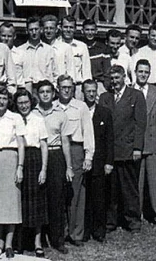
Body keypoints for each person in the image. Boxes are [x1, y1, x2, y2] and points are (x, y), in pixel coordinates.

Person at [99, 65, 146, 232]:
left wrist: (137, 148)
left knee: (129, 189)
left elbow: (140, 124)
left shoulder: (136, 96)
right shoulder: (105, 97)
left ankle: (133, 221)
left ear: (124, 77)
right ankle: (111, 221)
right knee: (111, 189)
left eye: (117, 78)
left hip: (127, 150)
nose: (114, 82)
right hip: (110, 151)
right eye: (111, 79)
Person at [33, 80, 74, 254]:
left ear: (53, 93)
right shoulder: (32, 113)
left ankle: (58, 240)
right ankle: (38, 240)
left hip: (56, 155)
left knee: (57, 199)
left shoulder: (60, 114)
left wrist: (69, 166)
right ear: (37, 94)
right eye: (41, 91)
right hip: (36, 156)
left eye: (48, 91)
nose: (45, 94)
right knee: (38, 198)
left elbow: (65, 142)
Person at [54, 74, 94, 246]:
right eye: (63, 87)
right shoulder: (52, 107)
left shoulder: (81, 107)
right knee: (58, 191)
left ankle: (76, 233)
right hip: (56, 151)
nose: (67, 90)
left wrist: (88, 156)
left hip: (76, 149)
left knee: (76, 192)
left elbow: (88, 132)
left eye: (70, 87)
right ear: (58, 88)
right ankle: (59, 232)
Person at [0, 86, 26, 258]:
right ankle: (0, 240)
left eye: (4, 98)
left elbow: (20, 143)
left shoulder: (15, 117)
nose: (1, 101)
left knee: (12, 204)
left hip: (11, 158)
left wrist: (20, 166)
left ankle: (9, 243)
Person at [133, 60, 156, 227]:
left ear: (149, 74)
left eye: (146, 72)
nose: (142, 74)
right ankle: (136, 214)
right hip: (135, 144)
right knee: (136, 182)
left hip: (153, 142)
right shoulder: (130, 91)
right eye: (140, 71)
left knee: (155, 182)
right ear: (135, 72)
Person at [14, 89, 49, 258]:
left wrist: (43, 168)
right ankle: (19, 242)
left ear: (31, 102)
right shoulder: (13, 118)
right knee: (19, 201)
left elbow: (43, 145)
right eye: (20, 103)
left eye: (26, 102)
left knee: (36, 202)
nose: (23, 106)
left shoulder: (38, 119)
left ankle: (37, 242)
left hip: (34, 159)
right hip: (18, 159)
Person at [81, 79, 114, 242]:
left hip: (100, 162)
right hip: (82, 160)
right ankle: (84, 230)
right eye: (88, 91)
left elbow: (109, 139)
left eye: (94, 91)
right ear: (83, 92)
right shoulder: (79, 110)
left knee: (99, 197)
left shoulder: (104, 112)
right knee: (84, 198)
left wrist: (109, 162)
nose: (91, 94)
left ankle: (99, 230)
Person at [14, 16, 57, 94]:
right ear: (27, 31)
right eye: (31, 30)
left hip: (45, 90)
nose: (34, 32)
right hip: (26, 89)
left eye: (36, 29)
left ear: (41, 30)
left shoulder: (49, 50)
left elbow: (55, 73)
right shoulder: (20, 50)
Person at [57, 15, 91, 99]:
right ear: (60, 28)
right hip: (59, 88)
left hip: (78, 88)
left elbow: (86, 72)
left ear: (75, 29)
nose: (68, 30)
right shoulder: (55, 46)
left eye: (71, 27)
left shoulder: (82, 46)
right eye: (65, 27)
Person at [81, 19, 111, 93]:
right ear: (82, 31)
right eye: (87, 30)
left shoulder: (103, 48)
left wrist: (105, 87)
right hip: (82, 84)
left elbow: (107, 71)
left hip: (98, 84)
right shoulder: (79, 47)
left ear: (96, 31)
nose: (90, 32)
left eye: (92, 30)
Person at [42, 14, 73, 79]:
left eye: (51, 28)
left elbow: (71, 71)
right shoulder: (40, 48)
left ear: (56, 30)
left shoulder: (66, 48)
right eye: (46, 28)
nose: (48, 31)